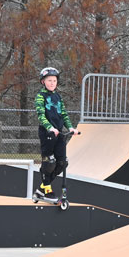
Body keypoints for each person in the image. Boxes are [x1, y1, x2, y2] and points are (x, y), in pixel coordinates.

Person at [33, 67, 79, 202]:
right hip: (47, 133)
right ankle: (47, 190)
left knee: (62, 162)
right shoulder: (41, 96)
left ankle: (41, 189)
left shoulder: (58, 96)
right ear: (43, 82)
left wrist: (70, 127)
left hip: (59, 134)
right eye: (49, 80)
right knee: (49, 162)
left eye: (54, 80)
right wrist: (50, 127)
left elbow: (63, 114)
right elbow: (41, 115)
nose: (52, 83)